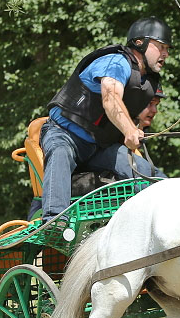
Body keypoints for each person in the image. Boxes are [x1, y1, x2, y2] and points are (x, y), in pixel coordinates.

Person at [39, 17, 170, 220]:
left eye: (167, 49)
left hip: (98, 147)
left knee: (143, 169)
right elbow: (110, 99)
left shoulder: (148, 81)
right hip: (64, 134)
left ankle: (170, 212)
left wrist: (134, 129)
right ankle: (54, 222)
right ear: (139, 43)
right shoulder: (115, 62)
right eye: (160, 46)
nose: (165, 54)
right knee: (60, 151)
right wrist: (129, 130)